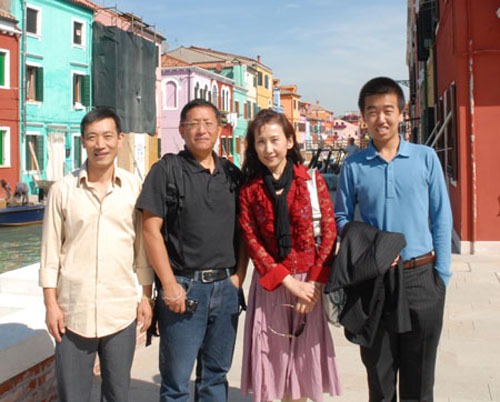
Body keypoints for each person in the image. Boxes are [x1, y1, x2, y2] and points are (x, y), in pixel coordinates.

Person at [335, 77, 453, 401]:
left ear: (401, 113)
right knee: (380, 380)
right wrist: (374, 246)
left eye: (388, 110)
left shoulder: (425, 157)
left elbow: (442, 218)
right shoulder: (353, 165)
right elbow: (341, 218)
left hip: (421, 280)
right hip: (375, 282)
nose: (381, 118)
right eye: (372, 111)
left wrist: (441, 277)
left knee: (420, 384)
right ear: (363, 117)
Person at [137, 99, 248, 402]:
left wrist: (239, 276)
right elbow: (150, 230)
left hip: (226, 289)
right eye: (193, 124)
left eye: (208, 123)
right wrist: (169, 285)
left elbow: (244, 232)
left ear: (219, 129)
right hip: (184, 289)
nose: (202, 130)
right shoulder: (166, 171)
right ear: (182, 130)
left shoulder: (232, 175)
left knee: (216, 376)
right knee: (176, 383)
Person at [40, 107, 154, 402]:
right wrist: (51, 304)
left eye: (107, 136)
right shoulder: (63, 190)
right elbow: (50, 253)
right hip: (72, 312)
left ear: (120, 139)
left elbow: (142, 251)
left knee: (117, 394)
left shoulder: (133, 188)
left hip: (120, 311)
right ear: (83, 141)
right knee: (72, 396)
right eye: (92, 137)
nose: (100, 144)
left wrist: (146, 296)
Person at [239, 109, 342, 402]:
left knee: (303, 368)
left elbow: (329, 233)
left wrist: (313, 285)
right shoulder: (249, 191)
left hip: (310, 285)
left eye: (275, 140)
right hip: (273, 285)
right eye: (261, 142)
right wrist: (290, 282)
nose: (268, 149)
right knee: (273, 365)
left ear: (289, 141)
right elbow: (252, 242)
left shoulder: (311, 181)